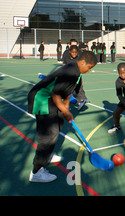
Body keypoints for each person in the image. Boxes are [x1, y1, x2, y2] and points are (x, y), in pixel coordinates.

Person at [28, 51, 97, 183]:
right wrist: (65, 111)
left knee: (58, 124)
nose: (89, 71)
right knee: (49, 135)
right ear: (83, 62)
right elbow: (55, 93)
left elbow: (67, 92)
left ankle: (47, 156)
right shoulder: (70, 71)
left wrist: (66, 108)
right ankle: (36, 172)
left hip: (51, 99)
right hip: (42, 99)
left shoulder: (76, 73)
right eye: (89, 67)